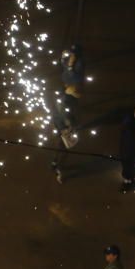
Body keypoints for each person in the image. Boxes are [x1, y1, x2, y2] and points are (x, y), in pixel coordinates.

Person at [50, 44, 86, 182]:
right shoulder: (66, 102)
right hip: (64, 126)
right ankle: (59, 168)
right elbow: (63, 114)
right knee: (64, 146)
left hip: (63, 123)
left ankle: (55, 163)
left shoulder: (65, 98)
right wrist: (69, 127)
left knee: (62, 145)